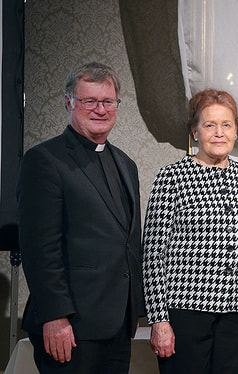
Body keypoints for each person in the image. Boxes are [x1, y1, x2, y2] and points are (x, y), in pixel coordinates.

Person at [143, 89, 238, 374]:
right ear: (195, 132)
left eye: (226, 125)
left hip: (237, 315)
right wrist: (159, 320)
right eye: (209, 125)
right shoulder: (172, 177)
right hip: (185, 312)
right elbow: (153, 254)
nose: (219, 133)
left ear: (236, 131)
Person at [17, 62, 144, 373]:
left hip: (116, 325)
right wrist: (55, 317)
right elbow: (40, 249)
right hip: (70, 327)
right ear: (68, 102)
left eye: (108, 101)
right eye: (89, 101)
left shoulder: (125, 164)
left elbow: (128, 244)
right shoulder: (45, 160)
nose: (100, 109)